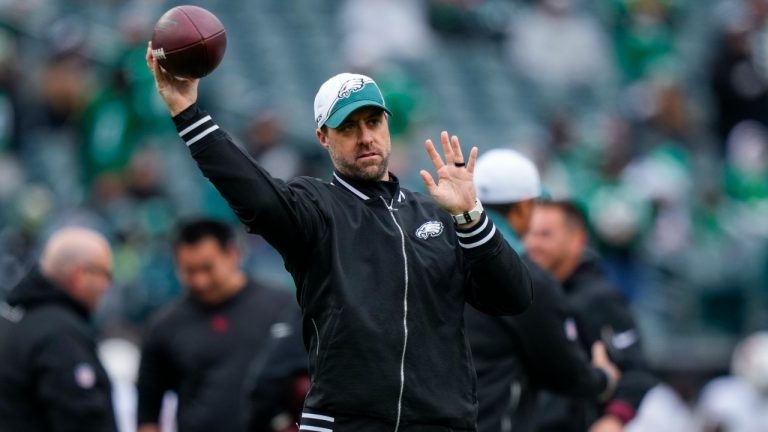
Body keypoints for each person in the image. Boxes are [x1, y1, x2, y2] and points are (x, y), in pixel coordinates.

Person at [146, 44, 533, 432]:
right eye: (348, 127)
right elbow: (255, 194)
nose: (365, 137)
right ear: (322, 137)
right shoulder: (317, 208)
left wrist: (471, 217)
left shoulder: (437, 214)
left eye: (373, 122)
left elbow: (512, 297)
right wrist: (188, 114)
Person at [465, 149, 621, 432]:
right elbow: (566, 373)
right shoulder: (528, 276)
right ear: (524, 207)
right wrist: (602, 377)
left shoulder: (439, 255)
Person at [136, 218, 300, 432]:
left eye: (207, 268)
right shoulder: (165, 325)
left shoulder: (282, 306)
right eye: (189, 271)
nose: (200, 280)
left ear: (232, 254)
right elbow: (148, 411)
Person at [525, 200, 656, 432]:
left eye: (545, 235)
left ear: (577, 240)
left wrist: (614, 419)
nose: (533, 243)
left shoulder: (597, 298)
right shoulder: (523, 294)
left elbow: (636, 371)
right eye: (528, 234)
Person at [0, 227, 117, 432]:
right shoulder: (60, 334)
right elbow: (84, 420)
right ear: (80, 274)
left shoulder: (11, 319)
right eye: (105, 274)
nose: (107, 285)